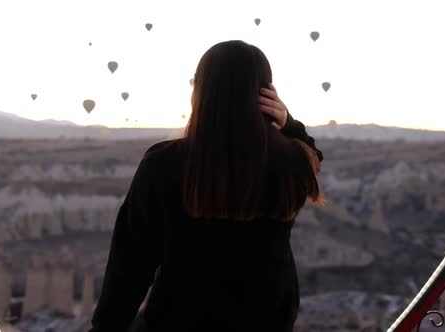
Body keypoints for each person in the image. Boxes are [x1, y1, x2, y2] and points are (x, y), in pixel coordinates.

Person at [88, 40, 326, 332]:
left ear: (200, 91)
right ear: (265, 95)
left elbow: (130, 266)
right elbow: (313, 155)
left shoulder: (163, 164)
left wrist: (105, 328)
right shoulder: (290, 161)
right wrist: (289, 123)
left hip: (177, 322)